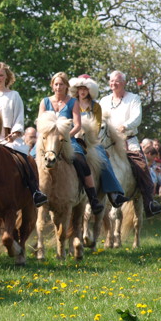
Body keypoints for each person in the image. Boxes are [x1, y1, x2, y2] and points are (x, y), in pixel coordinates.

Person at [0, 62, 48, 207]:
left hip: (8, 140)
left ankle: (35, 191)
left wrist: (15, 133)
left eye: (1, 75)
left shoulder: (14, 96)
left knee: (25, 159)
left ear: (7, 77)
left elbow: (19, 118)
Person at [38, 72, 104, 215]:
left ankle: (92, 198)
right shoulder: (44, 102)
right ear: (52, 85)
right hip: (47, 141)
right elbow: (40, 124)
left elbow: (77, 125)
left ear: (66, 86)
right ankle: (33, 194)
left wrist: (66, 136)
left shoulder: (73, 102)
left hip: (68, 139)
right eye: (56, 84)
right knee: (30, 159)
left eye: (61, 84)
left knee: (81, 161)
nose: (58, 87)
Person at [99, 71, 161, 217]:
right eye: (111, 81)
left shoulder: (133, 98)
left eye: (117, 81)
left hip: (127, 140)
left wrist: (125, 126)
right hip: (108, 141)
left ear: (124, 83)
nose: (113, 83)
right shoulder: (104, 100)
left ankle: (149, 202)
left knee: (141, 165)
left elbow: (137, 118)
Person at [68, 74, 129, 208]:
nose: (82, 91)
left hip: (90, 141)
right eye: (80, 88)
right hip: (71, 139)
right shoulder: (71, 103)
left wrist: (89, 139)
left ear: (90, 90)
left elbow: (97, 127)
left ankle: (114, 193)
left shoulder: (96, 107)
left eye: (85, 89)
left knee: (103, 158)